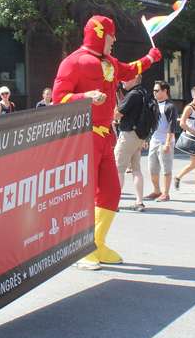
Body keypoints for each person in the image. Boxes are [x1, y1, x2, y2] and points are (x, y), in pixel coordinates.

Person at [53, 14, 161, 269]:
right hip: (83, 136)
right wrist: (86, 96)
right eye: (111, 36)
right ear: (100, 34)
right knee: (84, 194)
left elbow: (128, 69)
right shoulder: (73, 62)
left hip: (105, 136)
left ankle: (97, 243)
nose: (114, 40)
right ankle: (81, 248)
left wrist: (150, 58)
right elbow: (59, 98)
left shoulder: (109, 61)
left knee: (111, 192)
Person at [114, 74, 152, 211]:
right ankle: (139, 202)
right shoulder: (144, 92)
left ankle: (114, 203)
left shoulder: (132, 95)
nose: (123, 80)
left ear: (135, 79)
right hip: (140, 135)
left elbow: (117, 114)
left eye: (126, 77)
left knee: (118, 169)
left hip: (128, 134)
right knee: (136, 170)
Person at [148, 81, 178, 203]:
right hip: (154, 140)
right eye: (154, 90)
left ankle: (166, 194)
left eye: (157, 90)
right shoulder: (155, 104)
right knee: (152, 168)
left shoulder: (170, 106)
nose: (154, 93)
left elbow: (172, 126)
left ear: (165, 91)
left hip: (165, 141)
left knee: (166, 169)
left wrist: (167, 143)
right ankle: (156, 191)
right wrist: (146, 139)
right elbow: (151, 124)